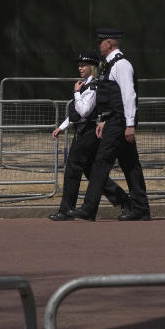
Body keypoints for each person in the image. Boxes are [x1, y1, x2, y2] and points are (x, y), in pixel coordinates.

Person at [68, 29, 150, 221]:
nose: (99, 46)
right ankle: (140, 208)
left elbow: (129, 95)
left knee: (100, 163)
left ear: (109, 44)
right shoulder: (110, 64)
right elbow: (112, 98)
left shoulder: (121, 65)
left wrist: (130, 125)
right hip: (114, 121)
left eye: (101, 43)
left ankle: (89, 209)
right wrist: (104, 120)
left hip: (120, 123)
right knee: (130, 165)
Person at [48, 50, 131, 221]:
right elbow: (76, 114)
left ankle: (66, 209)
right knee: (93, 173)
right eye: (79, 65)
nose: (80, 68)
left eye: (84, 65)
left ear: (92, 67)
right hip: (83, 132)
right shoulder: (85, 83)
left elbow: (84, 111)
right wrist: (62, 127)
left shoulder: (93, 86)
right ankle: (124, 200)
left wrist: (76, 93)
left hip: (88, 134)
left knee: (72, 169)